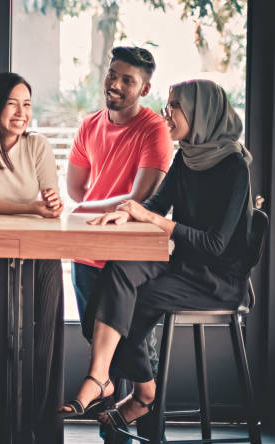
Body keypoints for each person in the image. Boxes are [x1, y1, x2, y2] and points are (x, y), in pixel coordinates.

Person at [61, 80, 253, 435]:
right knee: (118, 273)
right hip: (183, 263)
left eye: (174, 106)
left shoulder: (234, 167)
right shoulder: (187, 156)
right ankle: (101, 377)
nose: (167, 114)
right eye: (167, 106)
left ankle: (142, 395)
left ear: (201, 113)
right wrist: (129, 213)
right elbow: (156, 205)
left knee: (127, 305)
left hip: (218, 279)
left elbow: (215, 245)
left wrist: (153, 219)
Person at [0, 72, 64, 443]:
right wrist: (33, 207)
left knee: (45, 344)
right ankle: (10, 435)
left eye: (27, 104)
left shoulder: (38, 145)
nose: (22, 113)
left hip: (41, 254)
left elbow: (51, 198)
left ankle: (46, 434)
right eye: (12, 103)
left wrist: (50, 204)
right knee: (10, 344)